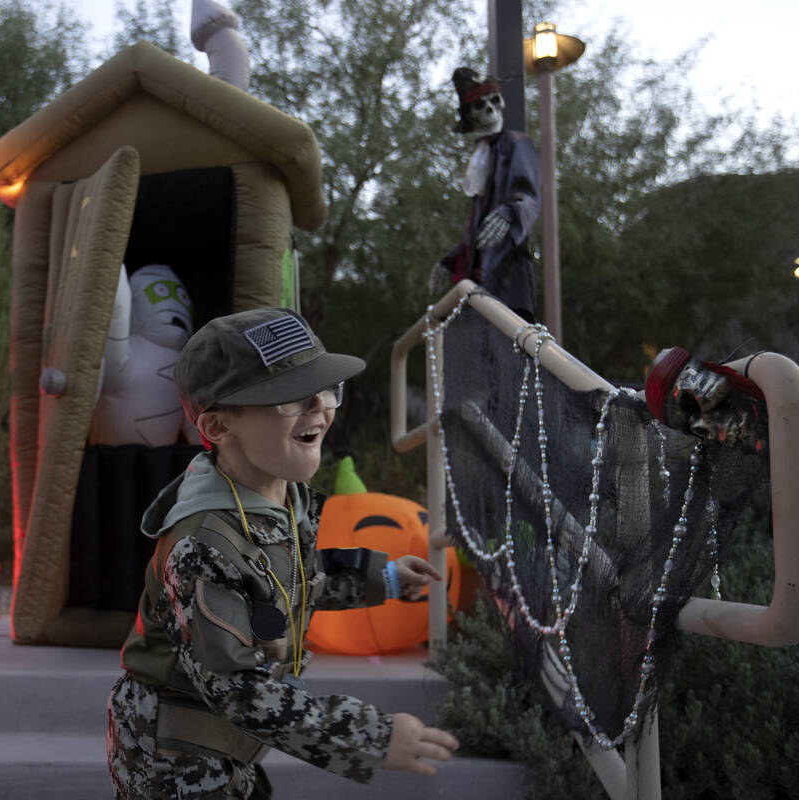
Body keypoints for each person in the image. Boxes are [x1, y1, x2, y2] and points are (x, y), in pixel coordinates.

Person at [106, 307, 459, 798]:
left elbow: (293, 574)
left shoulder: (279, 495)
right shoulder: (200, 544)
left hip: (226, 742)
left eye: (326, 389)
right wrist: (372, 737)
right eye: (292, 398)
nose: (319, 407)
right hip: (175, 754)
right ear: (218, 425)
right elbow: (238, 691)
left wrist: (386, 576)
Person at [429, 67, 540, 321]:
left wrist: (510, 212)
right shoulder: (483, 157)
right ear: (471, 116)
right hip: (480, 288)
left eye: (494, 101)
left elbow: (528, 197)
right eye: (480, 105)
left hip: (509, 286)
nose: (490, 110)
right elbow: (479, 231)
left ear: (501, 104)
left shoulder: (516, 142)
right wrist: (452, 259)